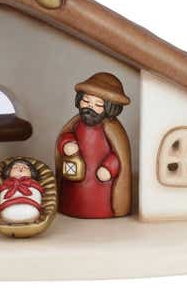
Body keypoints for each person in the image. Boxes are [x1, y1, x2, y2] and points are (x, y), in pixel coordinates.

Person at [55, 73, 132, 218]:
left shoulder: (112, 129)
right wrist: (67, 143)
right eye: (86, 101)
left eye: (98, 104)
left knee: (97, 201)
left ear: (109, 108)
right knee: (72, 196)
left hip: (100, 189)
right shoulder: (75, 123)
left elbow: (119, 155)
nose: (90, 107)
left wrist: (109, 168)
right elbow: (65, 135)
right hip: (74, 180)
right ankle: (69, 207)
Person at [0, 159, 44, 224]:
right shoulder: (6, 184)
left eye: (25, 168)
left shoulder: (33, 184)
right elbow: (3, 196)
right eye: (15, 167)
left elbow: (37, 195)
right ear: (9, 171)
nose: (20, 169)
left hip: (31, 209)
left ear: (31, 172)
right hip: (8, 209)